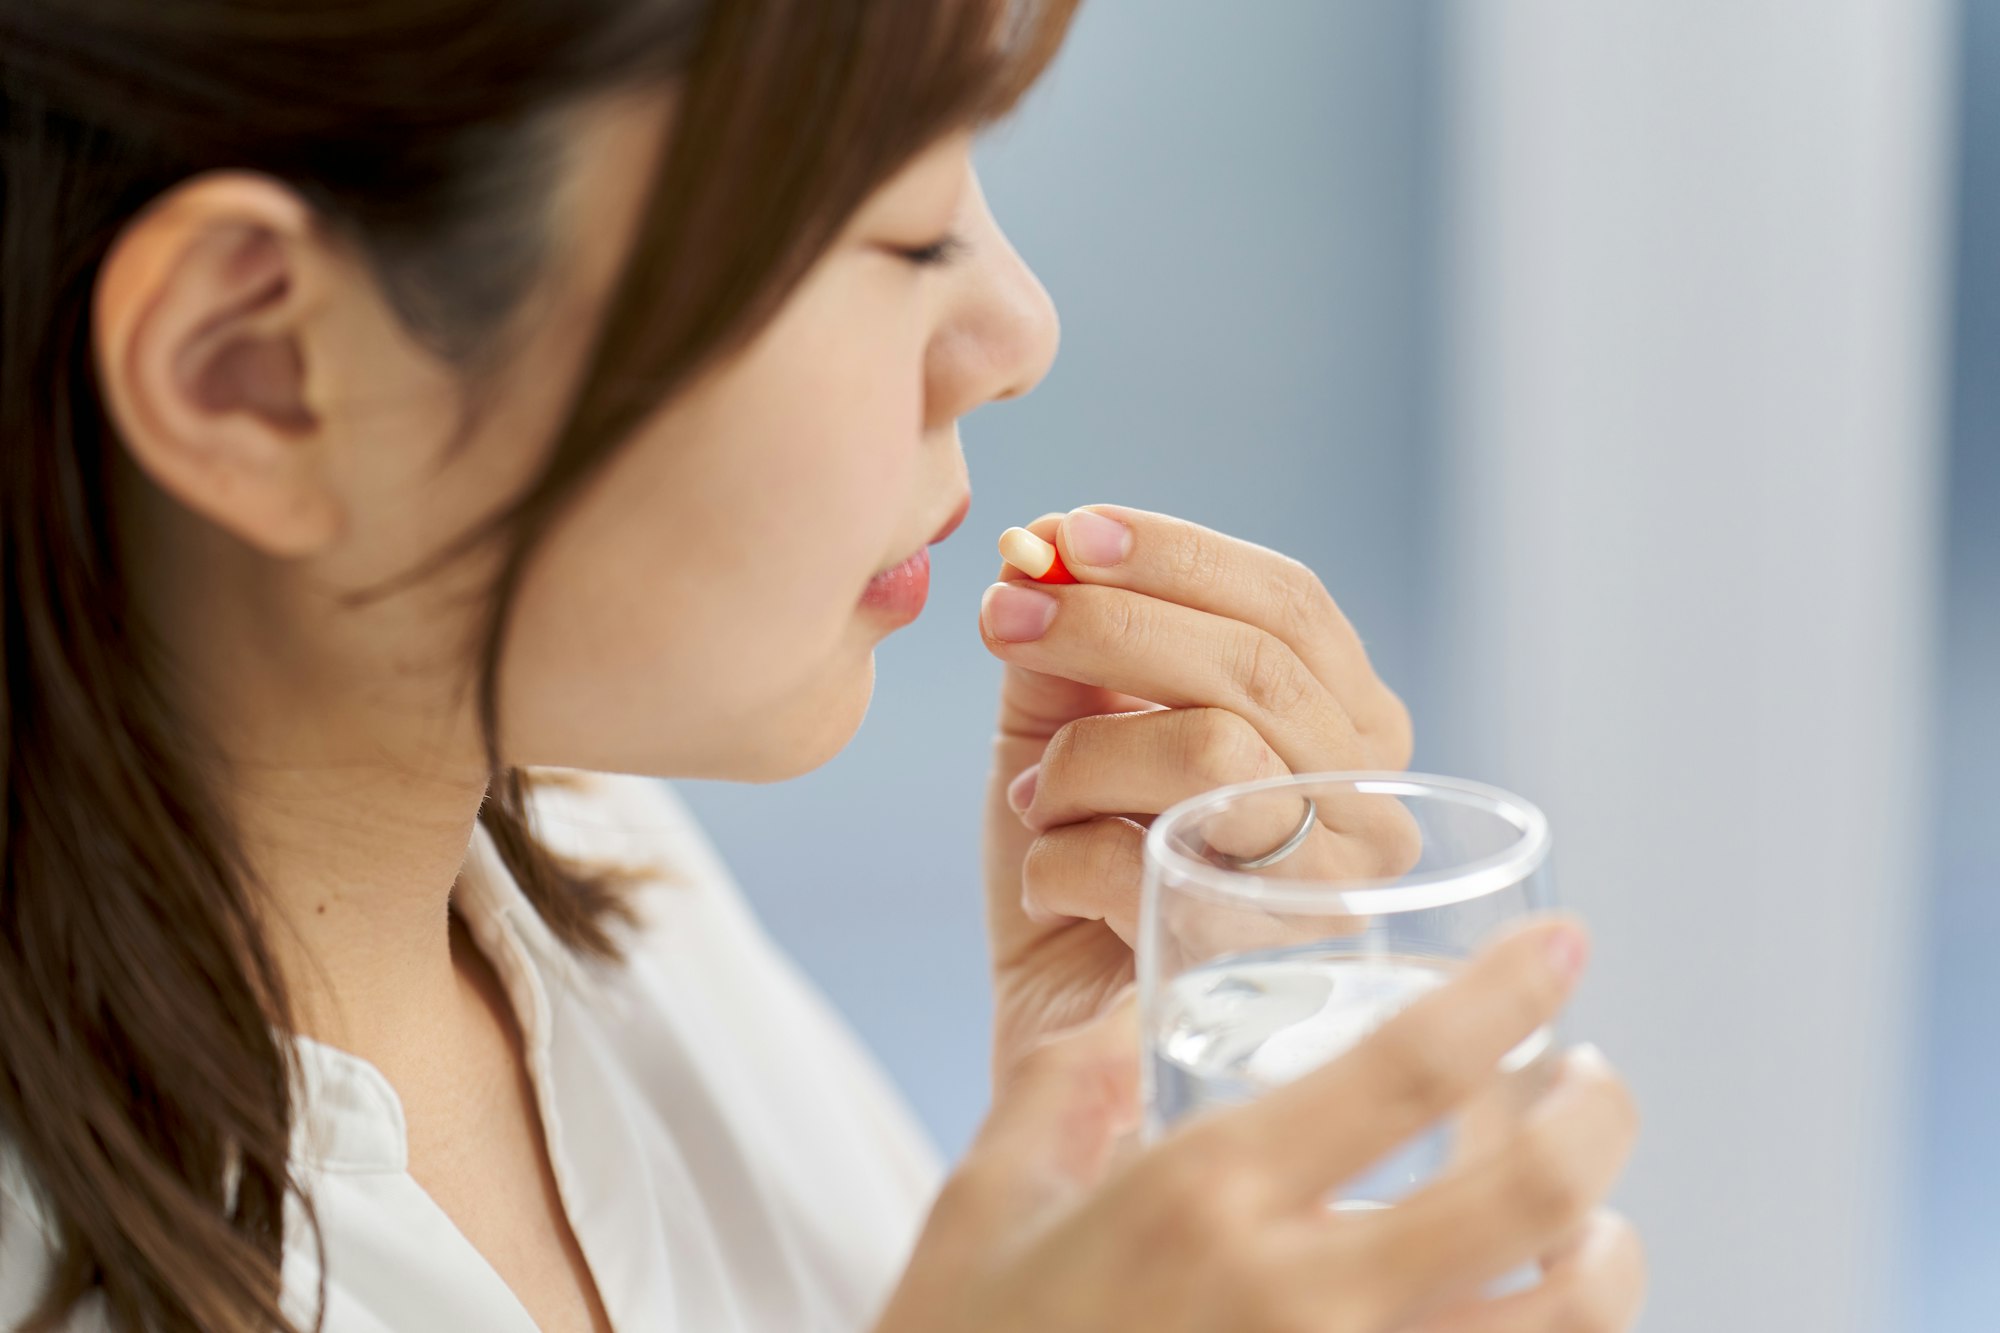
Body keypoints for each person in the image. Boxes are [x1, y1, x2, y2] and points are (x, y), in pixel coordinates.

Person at [0, 1, 1643, 1330]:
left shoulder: (599, 859)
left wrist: (1108, 1150)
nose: (1017, 330)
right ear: (255, 369)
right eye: (903, 229)